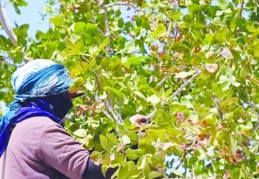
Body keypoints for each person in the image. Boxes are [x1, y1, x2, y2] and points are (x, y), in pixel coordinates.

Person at [0, 59, 113, 179]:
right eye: (65, 95)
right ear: (48, 93)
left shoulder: (16, 127)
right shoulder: (40, 127)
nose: (70, 103)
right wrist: (130, 138)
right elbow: (89, 172)